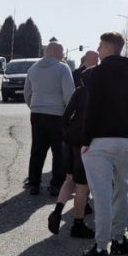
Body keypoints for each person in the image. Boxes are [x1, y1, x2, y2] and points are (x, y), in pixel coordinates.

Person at [79, 31, 128, 256]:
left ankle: (100, 247)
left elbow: (92, 108)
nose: (98, 48)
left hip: (99, 140)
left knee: (102, 195)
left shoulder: (98, 74)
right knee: (121, 190)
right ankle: (119, 238)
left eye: (101, 45)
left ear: (108, 48)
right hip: (125, 140)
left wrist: (86, 140)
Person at [47, 65, 94, 239]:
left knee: (69, 179)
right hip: (85, 143)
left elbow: (65, 117)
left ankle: (57, 212)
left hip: (69, 141)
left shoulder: (79, 92)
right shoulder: (99, 96)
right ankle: (78, 224)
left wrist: (67, 134)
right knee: (83, 186)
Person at [23, 41, 75, 195]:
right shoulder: (62, 68)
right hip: (57, 114)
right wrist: (69, 113)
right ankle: (56, 185)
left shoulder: (33, 69)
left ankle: (34, 183)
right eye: (61, 52)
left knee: (37, 149)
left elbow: (27, 93)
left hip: (37, 113)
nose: (63, 56)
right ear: (57, 52)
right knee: (58, 151)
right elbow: (69, 94)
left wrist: (34, 106)